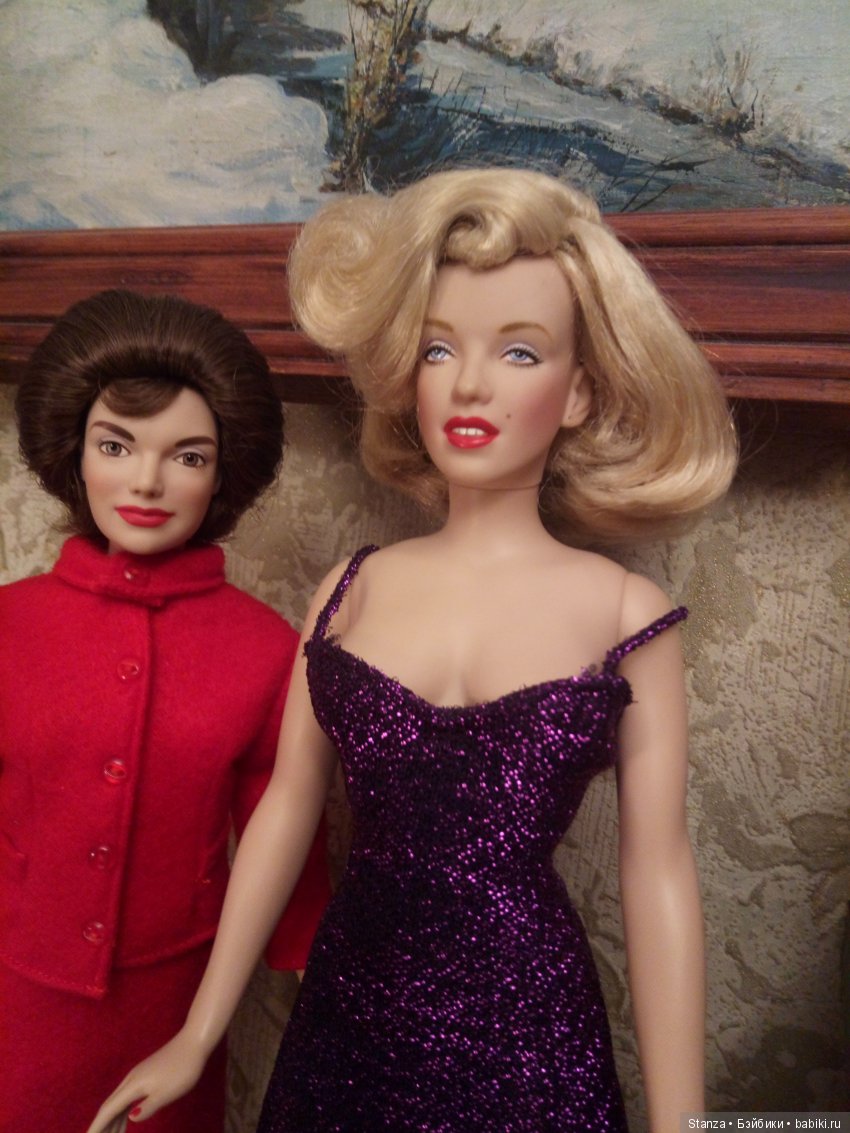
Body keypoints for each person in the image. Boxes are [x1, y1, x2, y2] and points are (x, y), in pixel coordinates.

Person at [86, 169, 737, 1133]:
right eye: (439, 348)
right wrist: (198, 1030)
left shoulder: (624, 612)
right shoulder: (352, 589)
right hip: (348, 1019)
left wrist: (685, 1123)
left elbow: (659, 873)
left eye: (519, 351)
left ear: (577, 393)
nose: (469, 383)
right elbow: (286, 809)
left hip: (529, 1040)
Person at [0, 290, 330, 1133]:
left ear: (223, 473)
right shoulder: (10, 625)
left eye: (187, 456)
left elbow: (281, 826)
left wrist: (315, 966)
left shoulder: (266, 650)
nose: (146, 481)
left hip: (174, 1003)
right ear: (75, 452)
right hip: (16, 990)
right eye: (116, 445)